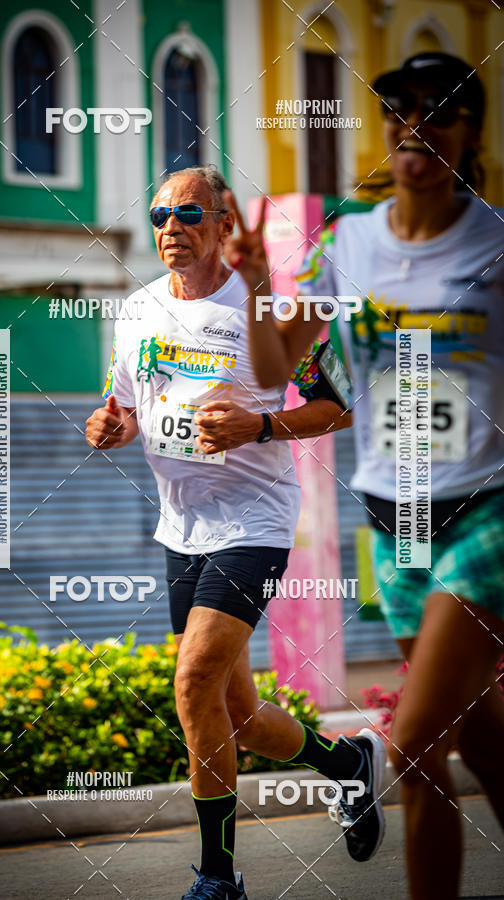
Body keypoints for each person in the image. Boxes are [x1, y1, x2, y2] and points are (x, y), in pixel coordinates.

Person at [238, 53, 504, 900]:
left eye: (440, 108)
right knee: (479, 741)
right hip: (394, 520)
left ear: (471, 134)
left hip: (486, 509)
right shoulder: (347, 239)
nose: (415, 122)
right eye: (398, 107)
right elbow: (284, 359)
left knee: (417, 741)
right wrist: (252, 285)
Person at [86, 165, 387, 900]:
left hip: (254, 524)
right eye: (159, 214)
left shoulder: (264, 310)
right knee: (237, 713)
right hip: (179, 528)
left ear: (225, 225)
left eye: (188, 214)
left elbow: (334, 407)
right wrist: (109, 425)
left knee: (192, 686)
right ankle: (348, 763)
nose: (170, 228)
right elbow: (120, 401)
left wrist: (260, 424)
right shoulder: (136, 310)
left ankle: (219, 879)